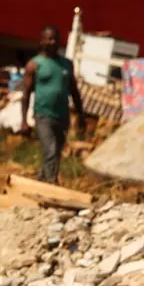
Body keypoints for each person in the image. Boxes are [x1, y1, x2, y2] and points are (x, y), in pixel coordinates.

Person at [19, 25, 86, 184]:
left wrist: (80, 114)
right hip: (43, 115)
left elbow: (74, 91)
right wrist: (24, 121)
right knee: (51, 149)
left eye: (55, 38)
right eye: (49, 39)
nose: (53, 42)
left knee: (55, 152)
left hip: (62, 115)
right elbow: (26, 94)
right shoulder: (34, 64)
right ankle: (51, 182)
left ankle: (41, 180)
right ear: (42, 41)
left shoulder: (67, 64)